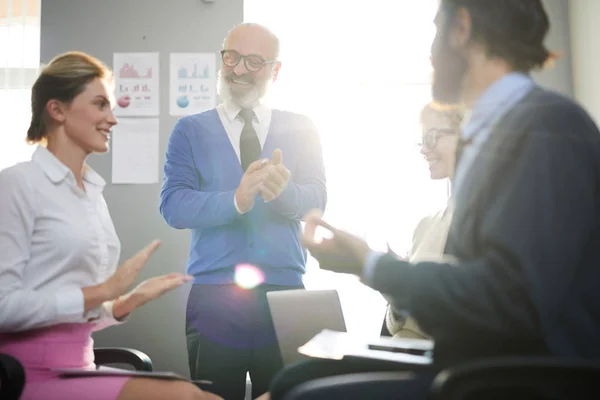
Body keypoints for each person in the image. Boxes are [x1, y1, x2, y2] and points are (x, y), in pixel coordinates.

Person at [270, 0, 600, 399]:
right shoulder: (492, 135)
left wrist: (372, 265)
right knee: (294, 379)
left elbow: (511, 301)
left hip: (518, 378)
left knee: (304, 395)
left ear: (461, 27)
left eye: (434, 30)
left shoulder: (548, 126)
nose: (430, 52)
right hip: (470, 362)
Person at [0, 51, 220, 400]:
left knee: (201, 395)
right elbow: (4, 307)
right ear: (57, 110)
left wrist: (124, 304)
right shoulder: (17, 184)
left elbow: (73, 316)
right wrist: (101, 292)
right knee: (186, 396)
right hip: (24, 375)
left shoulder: (91, 193)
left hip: (79, 367)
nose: (113, 119)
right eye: (101, 105)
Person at [159, 23, 327, 400]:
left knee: (287, 396)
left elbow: (317, 200)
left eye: (254, 61)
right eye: (231, 57)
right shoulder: (189, 130)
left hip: (285, 295)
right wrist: (236, 199)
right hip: (215, 296)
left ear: (275, 70)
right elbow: (173, 205)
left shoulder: (302, 128)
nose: (238, 70)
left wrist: (283, 194)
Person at [385, 102, 463, 340]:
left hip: (444, 365)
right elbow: (395, 327)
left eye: (432, 136)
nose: (424, 149)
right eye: (422, 140)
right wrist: (395, 297)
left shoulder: (492, 220)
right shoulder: (425, 226)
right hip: (403, 354)